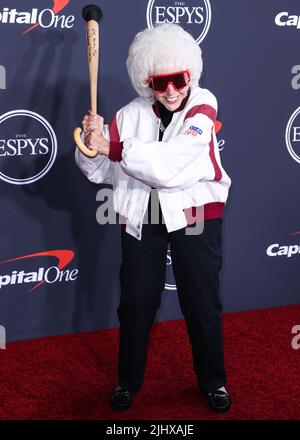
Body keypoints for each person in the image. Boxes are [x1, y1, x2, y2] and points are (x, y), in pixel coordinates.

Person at [75, 23, 231, 413]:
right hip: (143, 214)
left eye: (179, 79)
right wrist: (90, 142)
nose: (173, 90)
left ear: (189, 74)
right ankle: (127, 383)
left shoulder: (203, 104)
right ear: (147, 82)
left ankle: (214, 382)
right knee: (136, 304)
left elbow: (171, 166)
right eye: (161, 83)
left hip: (194, 209)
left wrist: (111, 146)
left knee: (201, 302)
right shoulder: (128, 115)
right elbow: (98, 171)